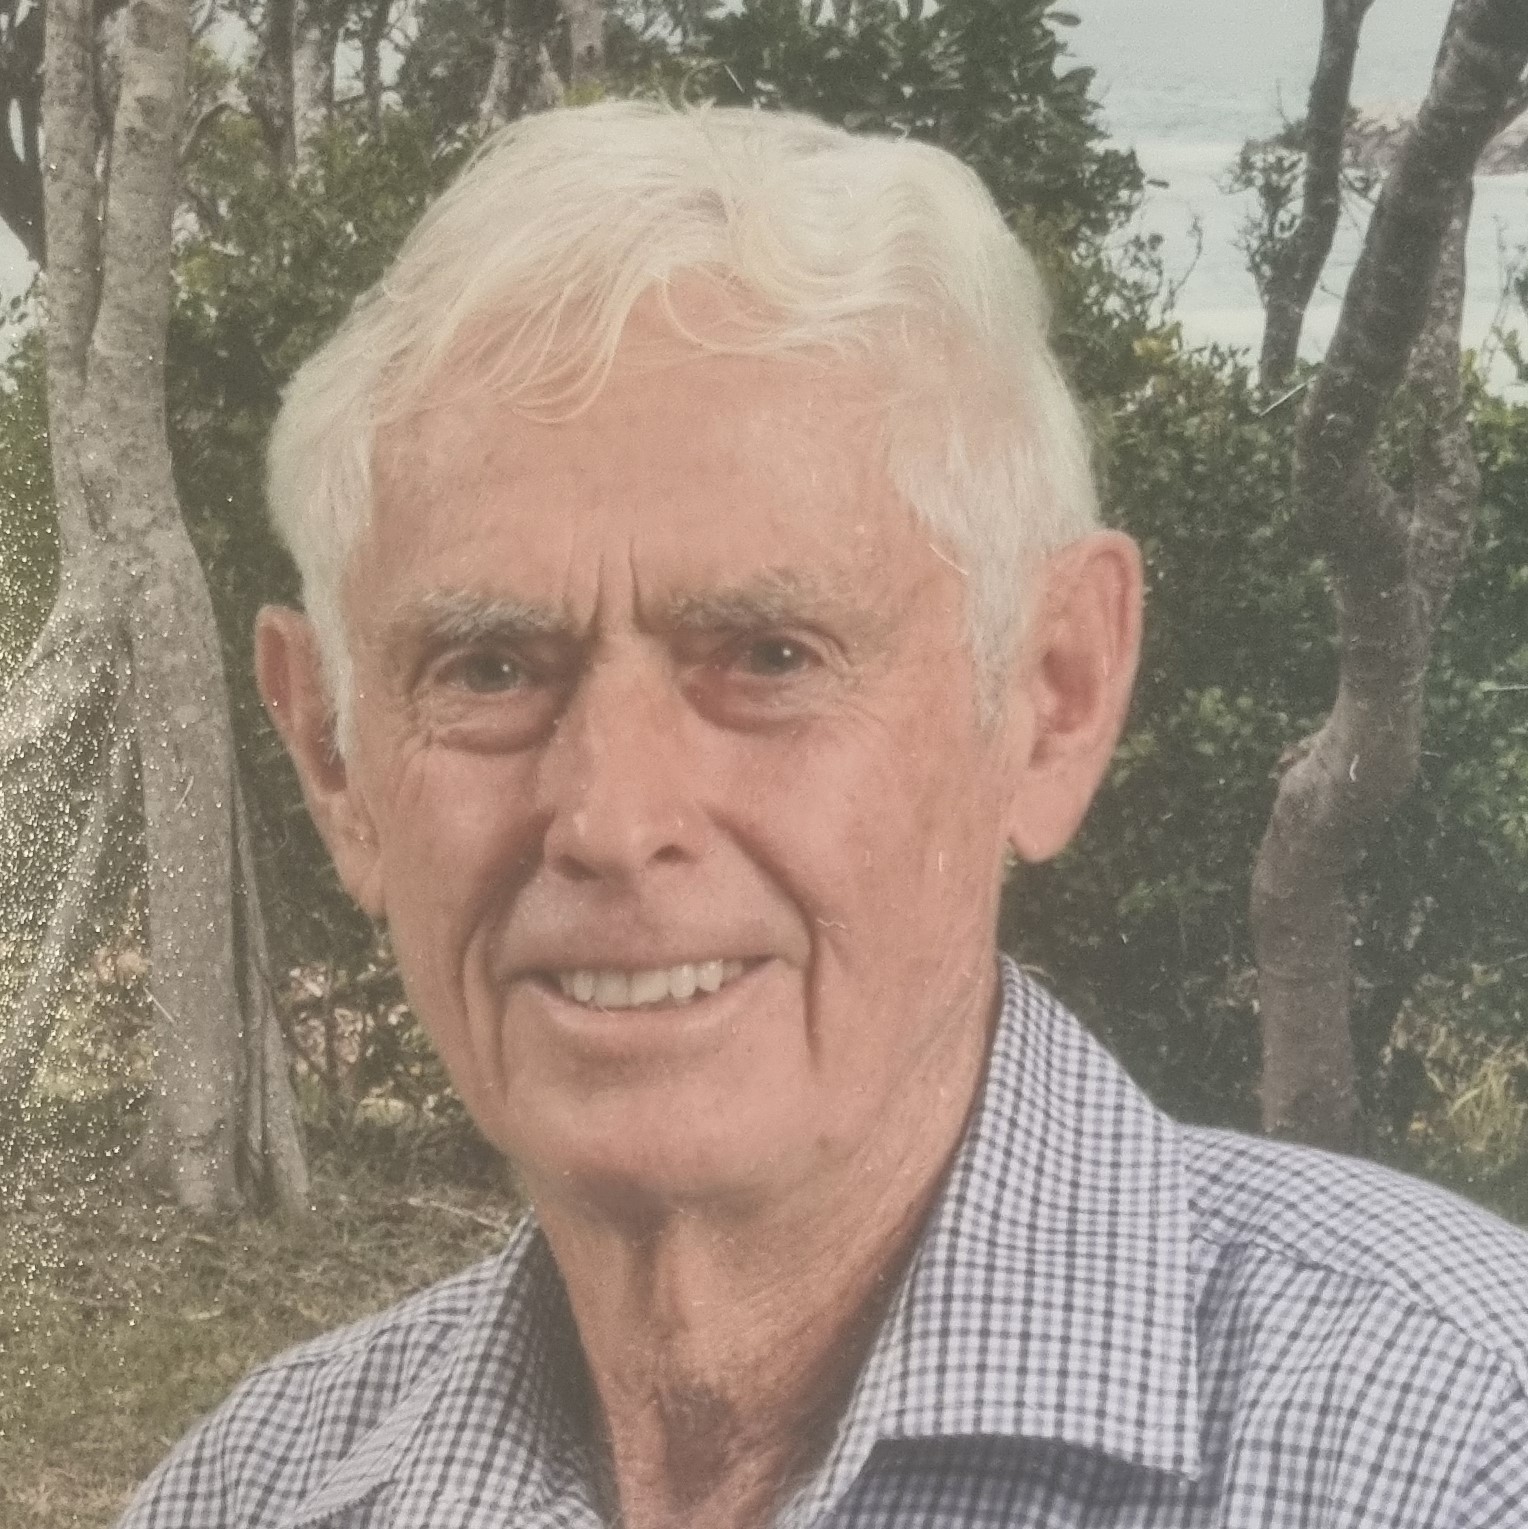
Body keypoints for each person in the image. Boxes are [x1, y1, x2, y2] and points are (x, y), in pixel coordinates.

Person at [117, 101, 1528, 1529]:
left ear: (1053, 694)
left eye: (769, 657)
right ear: (335, 758)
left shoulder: (1457, 1449)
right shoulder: (249, 1495)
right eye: (489, 669)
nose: (612, 819)